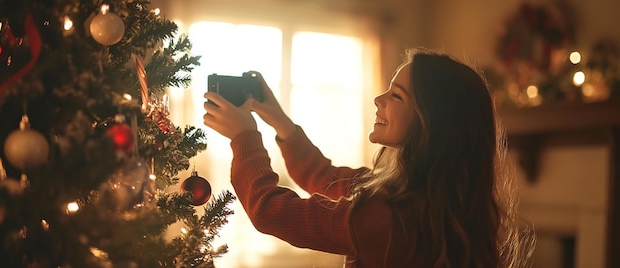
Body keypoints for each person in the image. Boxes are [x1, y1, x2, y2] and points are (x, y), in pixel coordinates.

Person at [203, 48, 535, 267]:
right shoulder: (425, 200)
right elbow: (321, 175)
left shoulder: (389, 217)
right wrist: (278, 119)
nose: (379, 99)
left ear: (429, 120)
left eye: (396, 95)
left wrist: (244, 138)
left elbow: (271, 212)